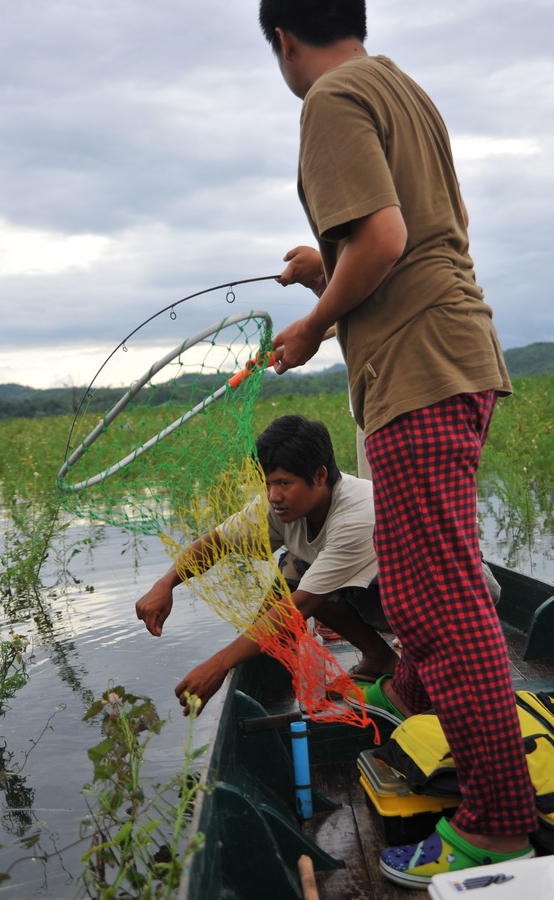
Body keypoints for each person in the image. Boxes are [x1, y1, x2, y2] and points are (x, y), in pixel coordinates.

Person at [258, 0, 537, 889]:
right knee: (425, 581)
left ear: (282, 39)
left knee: (441, 597)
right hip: (448, 350)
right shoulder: (399, 87)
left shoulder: (329, 97)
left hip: (418, 364)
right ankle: (415, 693)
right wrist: (324, 265)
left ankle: (497, 823)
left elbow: (384, 237)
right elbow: (403, 231)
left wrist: (310, 324)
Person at [135, 414, 398, 713]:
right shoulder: (277, 505)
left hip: (408, 605)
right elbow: (215, 543)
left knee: (298, 581)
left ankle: (408, 665)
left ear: (320, 476)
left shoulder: (356, 514)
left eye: (284, 483)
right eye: (268, 483)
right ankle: (378, 656)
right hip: (365, 597)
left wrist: (218, 664)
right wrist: (166, 583)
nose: (274, 495)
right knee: (296, 565)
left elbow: (299, 605)